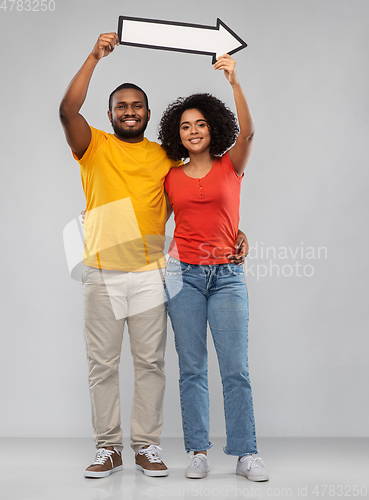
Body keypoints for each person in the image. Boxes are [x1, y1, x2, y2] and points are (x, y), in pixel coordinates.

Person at [59, 32, 248, 479]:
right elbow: (67, 110)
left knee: (151, 364)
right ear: (109, 114)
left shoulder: (165, 156)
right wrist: (93, 57)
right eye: (121, 106)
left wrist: (236, 230)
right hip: (101, 274)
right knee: (102, 365)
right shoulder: (93, 147)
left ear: (147, 112)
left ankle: (147, 446)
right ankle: (108, 447)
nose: (129, 111)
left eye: (137, 106)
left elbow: (201, 197)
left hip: (152, 275)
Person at [159, 54, 269, 481]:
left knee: (236, 368)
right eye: (185, 126)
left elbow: (252, 130)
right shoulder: (170, 176)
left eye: (200, 123)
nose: (193, 131)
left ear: (213, 127)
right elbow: (154, 220)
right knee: (192, 367)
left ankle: (245, 453)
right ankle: (198, 451)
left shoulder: (231, 165)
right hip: (182, 275)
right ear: (177, 134)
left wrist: (234, 80)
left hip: (226, 276)